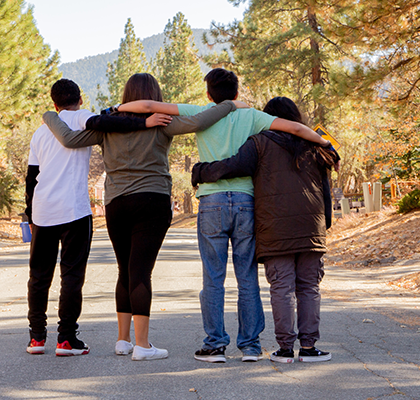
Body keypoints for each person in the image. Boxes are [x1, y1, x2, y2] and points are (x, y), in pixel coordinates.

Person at [114, 68, 330, 363]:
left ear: (208, 94)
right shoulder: (253, 116)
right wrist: (324, 143)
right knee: (247, 277)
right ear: (237, 93)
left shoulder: (202, 112)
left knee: (213, 278)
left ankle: (215, 345)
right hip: (245, 202)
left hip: (211, 202)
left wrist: (117, 108)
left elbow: (148, 107)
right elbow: (293, 128)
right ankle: (251, 346)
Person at [42, 73, 240, 361]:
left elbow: (69, 139)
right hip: (152, 200)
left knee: (125, 270)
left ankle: (123, 340)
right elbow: (200, 121)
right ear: (153, 95)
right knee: (141, 272)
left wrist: (50, 115)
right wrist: (230, 106)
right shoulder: (161, 120)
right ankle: (143, 346)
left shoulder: (109, 124)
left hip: (116, 203)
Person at [24, 78, 171, 356]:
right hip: (74, 210)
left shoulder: (40, 132)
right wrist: (145, 123)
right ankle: (66, 340)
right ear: (80, 99)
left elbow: (31, 178)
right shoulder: (83, 117)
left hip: (42, 210)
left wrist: (29, 213)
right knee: (72, 275)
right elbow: (113, 124)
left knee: (39, 276)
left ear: (54, 104)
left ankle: (36, 338)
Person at [191, 96, 339, 363]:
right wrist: (324, 223)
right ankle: (308, 348)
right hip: (311, 228)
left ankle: (284, 350)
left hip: (275, 228)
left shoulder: (259, 143)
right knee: (309, 287)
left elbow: (231, 167)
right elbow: (325, 189)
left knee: (281, 287)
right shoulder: (315, 145)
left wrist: (200, 172)